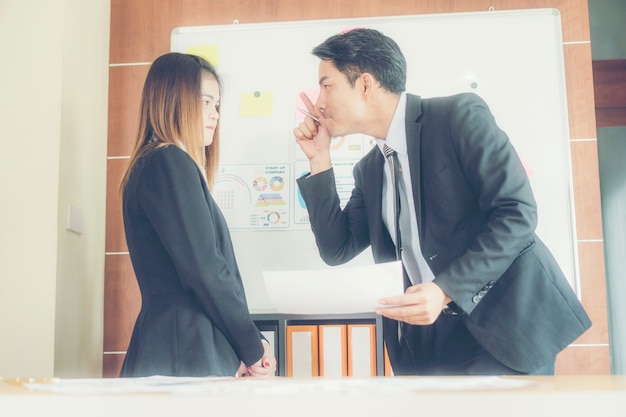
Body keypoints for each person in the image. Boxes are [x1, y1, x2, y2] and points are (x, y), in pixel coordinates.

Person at [294, 28, 591, 376]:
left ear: (364, 84)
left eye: (326, 85)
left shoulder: (458, 116)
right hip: (426, 341)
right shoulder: (371, 168)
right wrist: (319, 160)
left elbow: (517, 213)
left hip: (501, 327)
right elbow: (337, 248)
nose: (320, 102)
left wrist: (445, 290)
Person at [119, 52, 276, 378]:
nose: (215, 114)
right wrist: (253, 345)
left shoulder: (155, 163)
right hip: (184, 347)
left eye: (217, 105)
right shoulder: (168, 161)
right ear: (173, 99)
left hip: (181, 345)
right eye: (205, 102)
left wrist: (248, 342)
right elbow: (206, 270)